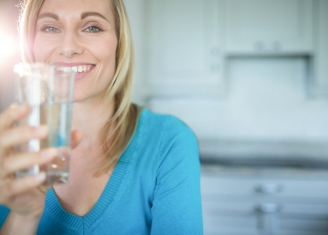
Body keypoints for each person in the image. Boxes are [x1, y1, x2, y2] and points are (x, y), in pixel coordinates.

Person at [0, 0, 203, 234]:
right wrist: (24, 217)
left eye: (92, 27)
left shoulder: (168, 141)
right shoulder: (8, 148)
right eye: (50, 28)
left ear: (119, 42)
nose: (68, 47)